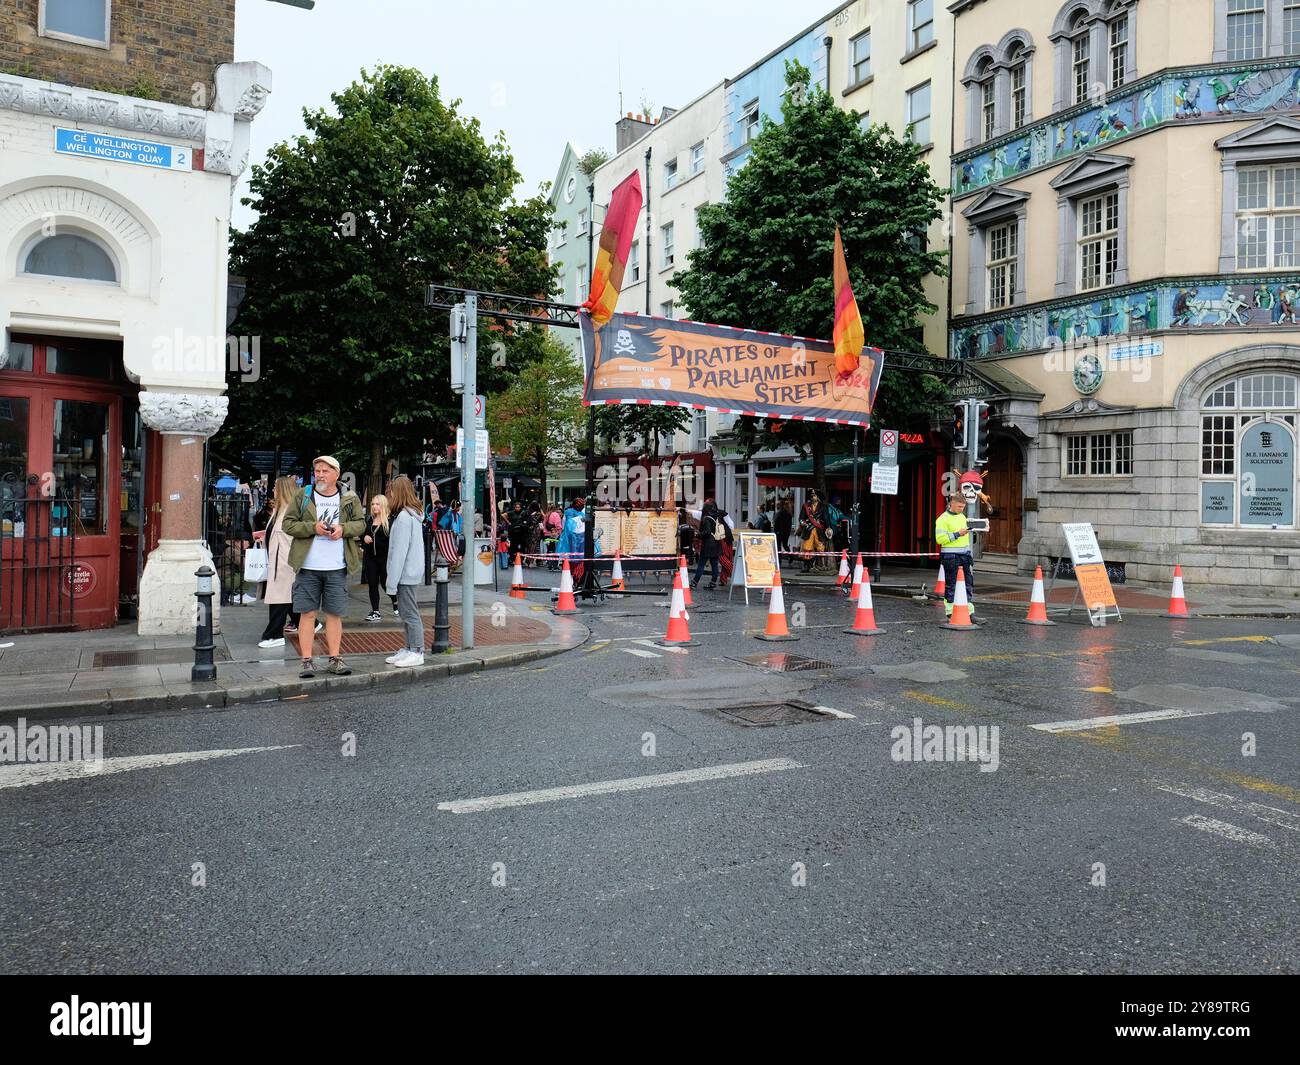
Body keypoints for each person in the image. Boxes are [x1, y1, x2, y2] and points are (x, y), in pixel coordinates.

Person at [282, 455, 366, 679]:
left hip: (337, 566)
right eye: (317, 470)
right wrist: (313, 527)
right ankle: (306, 661)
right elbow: (288, 524)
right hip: (308, 565)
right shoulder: (304, 495)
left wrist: (343, 529)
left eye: (325, 471)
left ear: (336, 474)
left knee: (334, 614)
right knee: (307, 614)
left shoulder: (348, 496)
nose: (320, 475)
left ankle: (335, 659)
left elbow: (360, 524)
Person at [253, 475, 304, 648]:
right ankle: (307, 623)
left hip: (284, 563)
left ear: (282, 490)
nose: (273, 490)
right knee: (284, 598)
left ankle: (273, 635)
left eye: (275, 487)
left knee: (279, 599)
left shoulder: (291, 511)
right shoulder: (280, 510)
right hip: (278, 561)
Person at [383, 475, 426, 668]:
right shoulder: (411, 515)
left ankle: (417, 650)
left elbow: (399, 553)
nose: (389, 495)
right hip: (410, 571)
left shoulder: (403, 518)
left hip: (405, 573)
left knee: (409, 614)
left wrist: (391, 582)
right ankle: (410, 648)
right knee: (407, 613)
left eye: (391, 491)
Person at [935, 492, 979, 623]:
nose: (962, 509)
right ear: (951, 503)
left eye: (963, 506)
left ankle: (970, 613)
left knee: (968, 584)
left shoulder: (962, 517)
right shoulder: (942, 519)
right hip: (950, 557)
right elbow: (939, 539)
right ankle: (949, 613)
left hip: (964, 556)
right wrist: (957, 534)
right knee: (951, 585)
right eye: (959, 506)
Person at [362, 493, 397, 622]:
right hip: (371, 558)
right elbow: (364, 534)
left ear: (383, 505)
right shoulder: (370, 520)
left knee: (386, 583)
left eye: (377, 504)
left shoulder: (390, 521)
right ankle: (375, 611)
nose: (374, 506)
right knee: (372, 584)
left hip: (385, 558)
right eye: (373, 504)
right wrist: (364, 538)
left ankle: (395, 600)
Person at [691, 499, 726, 590]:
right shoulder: (716, 516)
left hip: (708, 545)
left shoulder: (706, 518)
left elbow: (707, 531)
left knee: (701, 564)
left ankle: (694, 582)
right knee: (714, 564)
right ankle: (713, 583)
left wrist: (698, 534)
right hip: (716, 543)